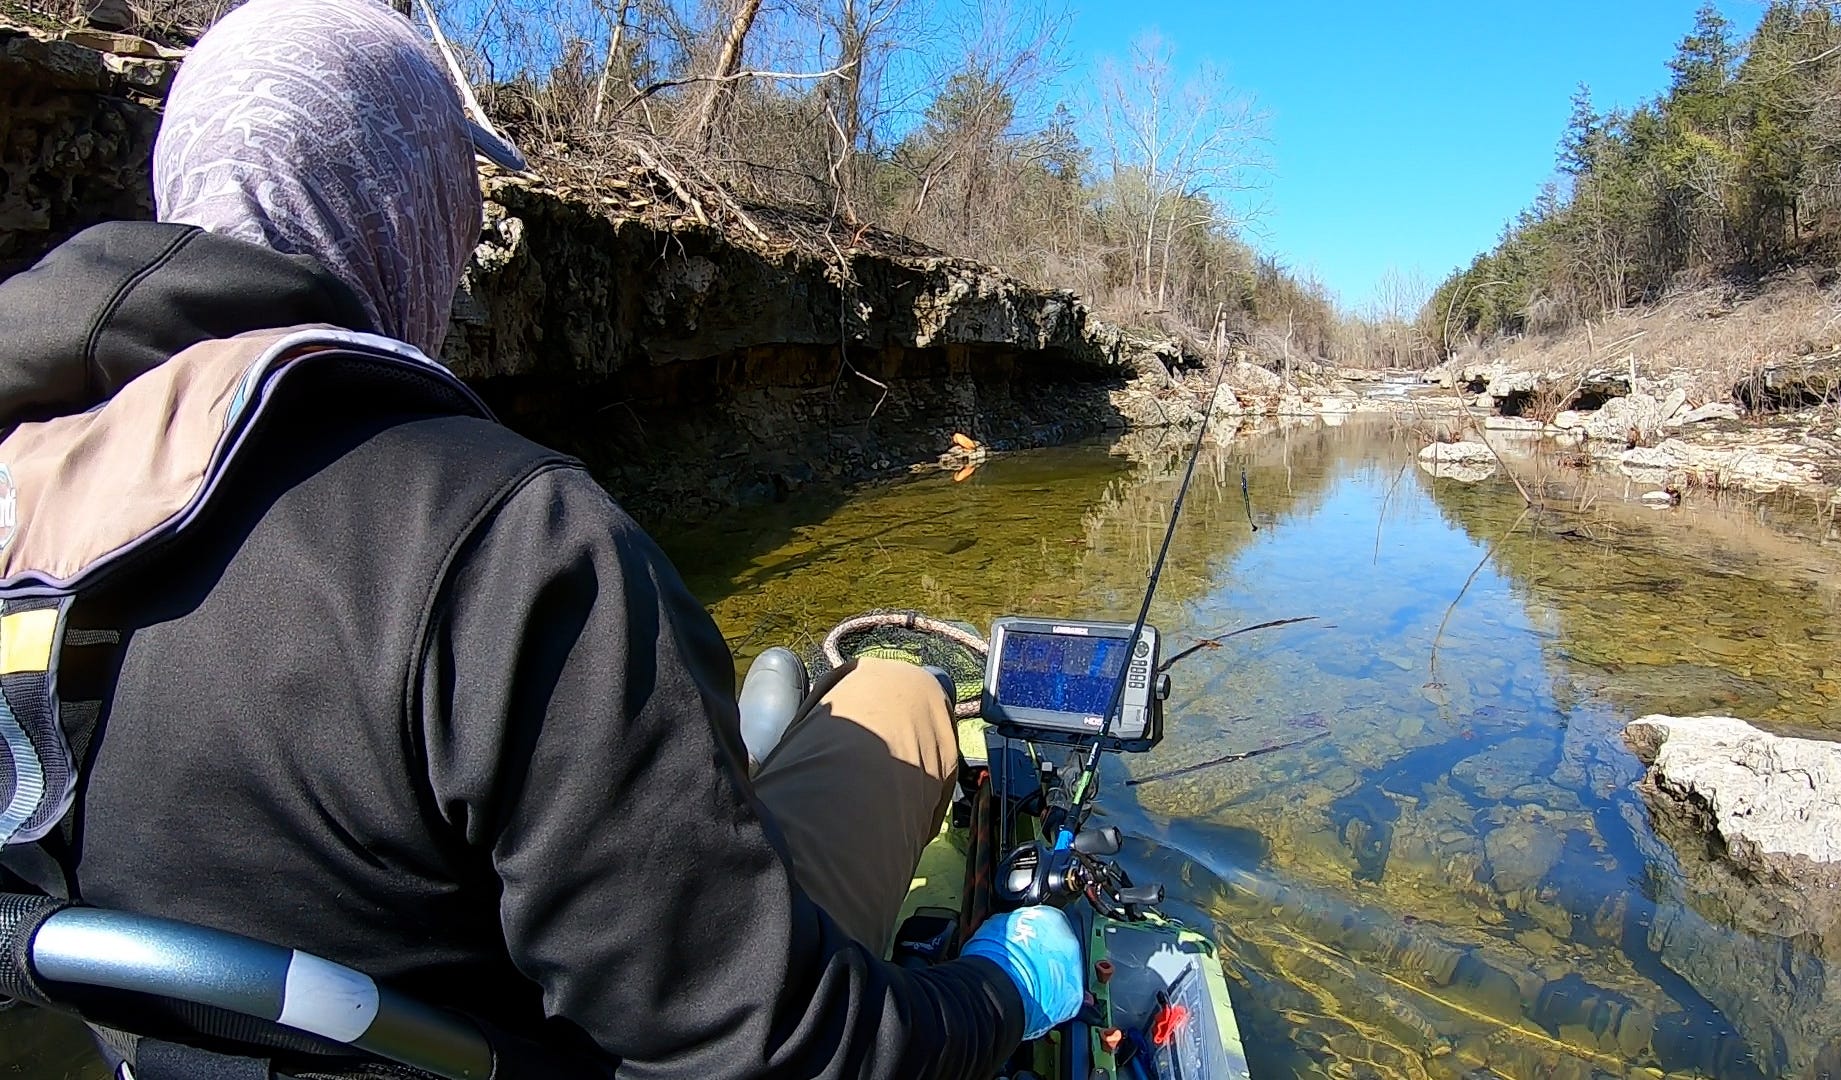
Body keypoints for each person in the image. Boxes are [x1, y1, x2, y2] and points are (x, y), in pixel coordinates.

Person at [0, 0, 1083, 1075]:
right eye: (457, 201)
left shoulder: (21, 499)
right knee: (900, 699)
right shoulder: (509, 543)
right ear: (401, 207)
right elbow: (769, 1053)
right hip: (566, 1042)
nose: (468, 243)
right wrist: (998, 991)